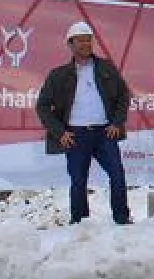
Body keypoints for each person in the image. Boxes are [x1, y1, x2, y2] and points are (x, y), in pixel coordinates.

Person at [35, 21, 132, 225]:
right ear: (70, 44)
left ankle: (122, 218)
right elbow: (42, 106)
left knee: (117, 174)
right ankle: (80, 223)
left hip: (105, 133)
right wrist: (60, 132)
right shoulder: (58, 75)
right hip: (76, 135)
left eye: (88, 40)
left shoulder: (106, 67)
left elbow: (124, 96)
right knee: (78, 180)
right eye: (80, 41)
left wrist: (117, 122)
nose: (86, 44)